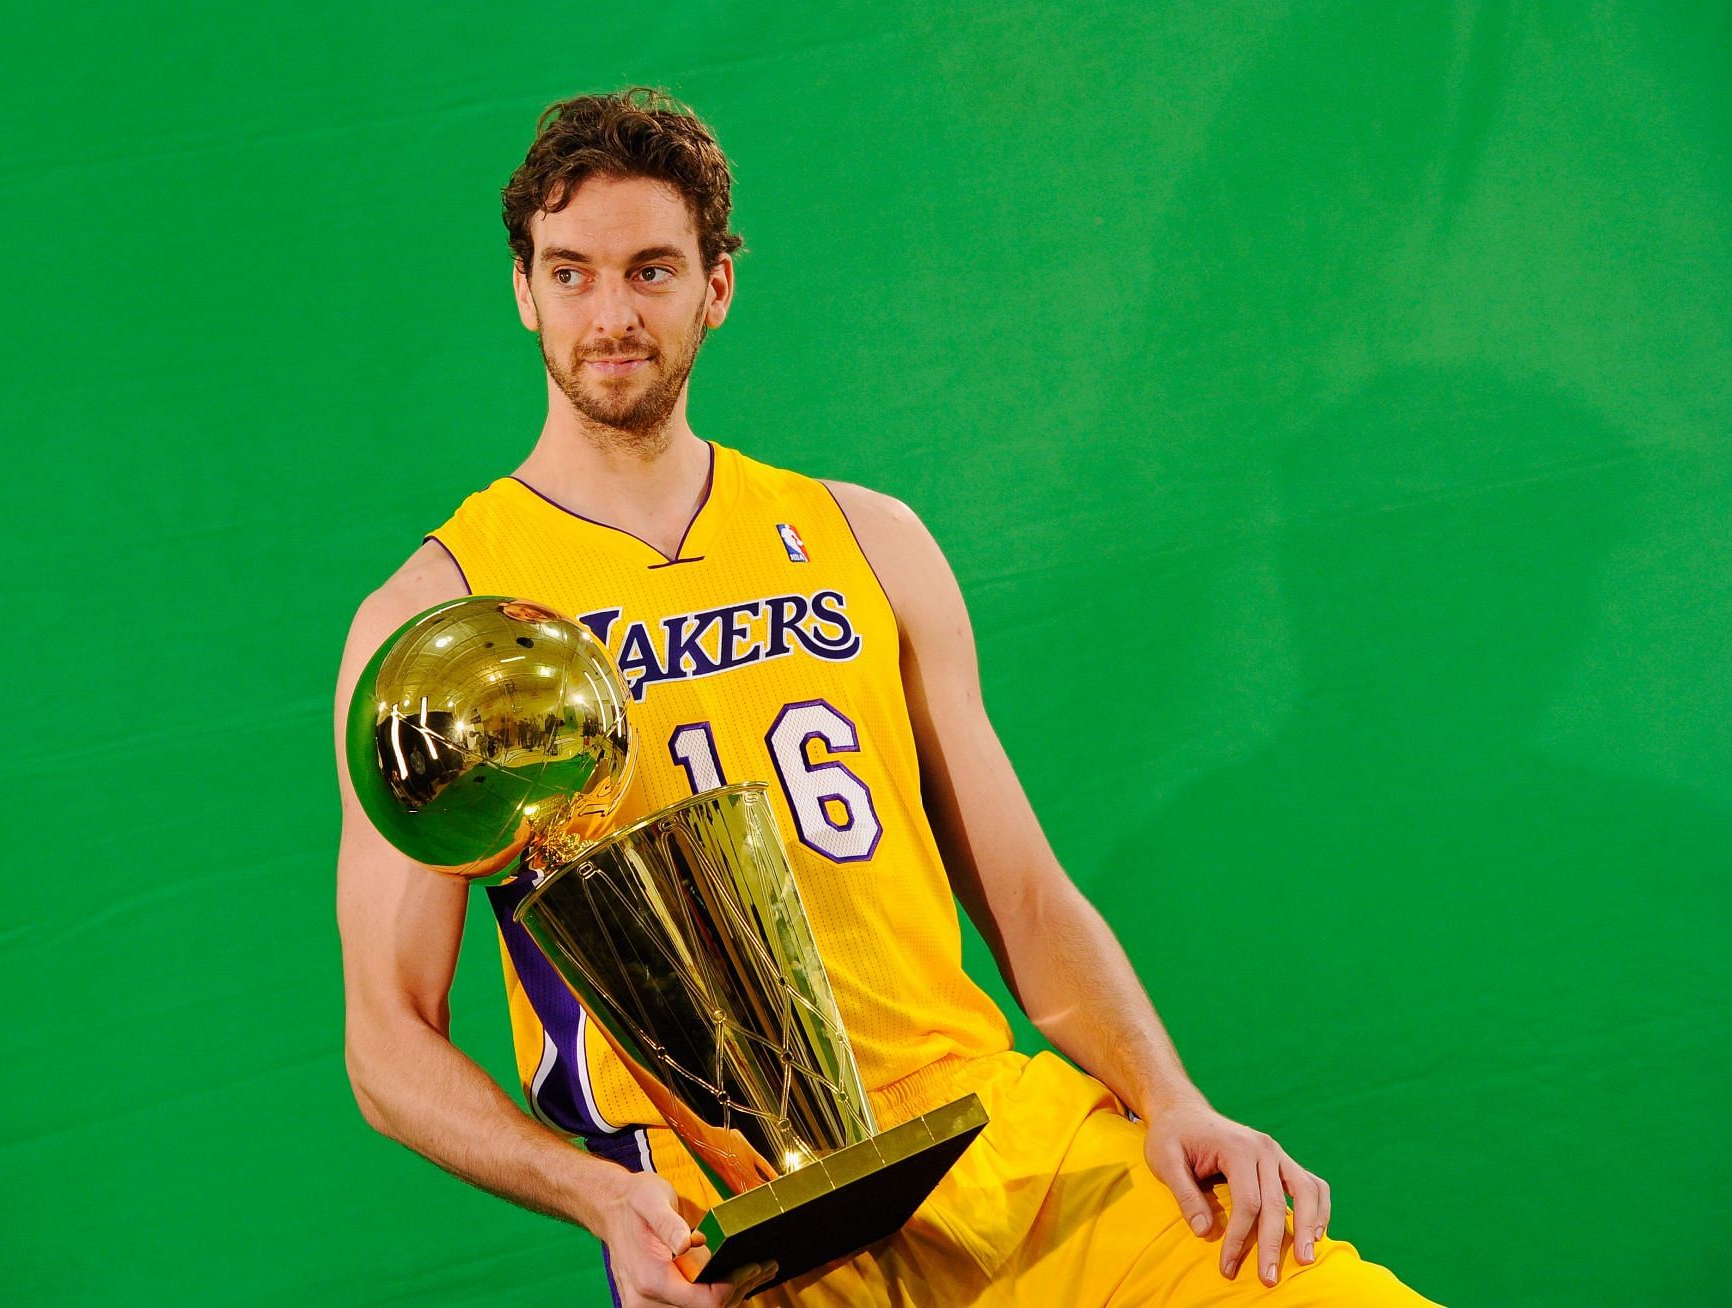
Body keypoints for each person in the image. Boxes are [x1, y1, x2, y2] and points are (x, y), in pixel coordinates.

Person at [332, 88, 1434, 1307]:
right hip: (736, 1225)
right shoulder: (445, 618)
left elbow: (1021, 893)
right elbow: (386, 1042)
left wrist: (1170, 1094)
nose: (613, 314)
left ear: (717, 287)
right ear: (524, 291)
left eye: (652, 270)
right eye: (573, 273)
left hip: (997, 1145)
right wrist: (596, 1194)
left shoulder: (866, 539)